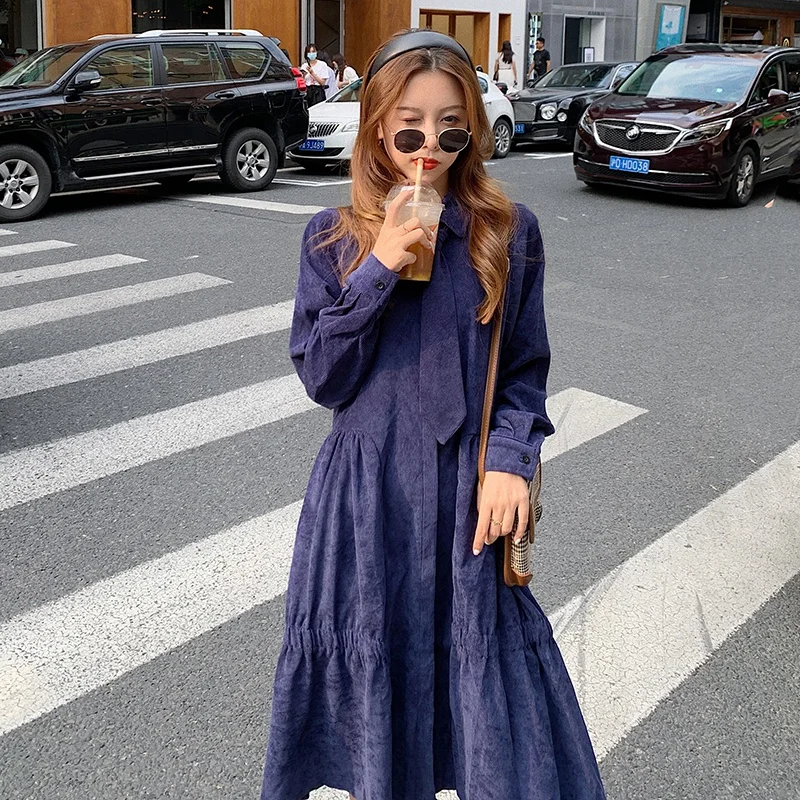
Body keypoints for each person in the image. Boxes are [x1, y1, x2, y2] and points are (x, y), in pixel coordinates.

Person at [261, 28, 605, 800]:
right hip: (369, 499)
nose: (429, 147)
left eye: (451, 127)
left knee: (495, 709)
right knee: (378, 697)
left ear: (473, 130)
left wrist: (510, 462)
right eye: (409, 127)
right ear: (377, 127)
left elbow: (523, 371)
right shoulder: (331, 237)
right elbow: (323, 378)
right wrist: (380, 263)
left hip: (466, 498)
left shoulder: (508, 232)